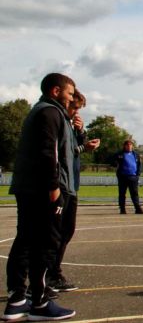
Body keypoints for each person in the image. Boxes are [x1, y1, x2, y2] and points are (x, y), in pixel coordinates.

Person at [3, 73, 78, 321]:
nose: (71, 98)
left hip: (30, 187)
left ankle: (17, 300)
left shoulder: (44, 112)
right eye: (69, 93)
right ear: (56, 91)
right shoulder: (50, 113)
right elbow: (49, 152)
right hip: (43, 189)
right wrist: (54, 188)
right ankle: (40, 302)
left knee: (26, 240)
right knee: (45, 244)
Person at [48, 89, 99, 293]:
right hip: (60, 185)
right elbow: (62, 153)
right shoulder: (54, 118)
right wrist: (84, 147)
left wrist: (81, 133)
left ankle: (53, 273)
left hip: (71, 184)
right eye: (74, 107)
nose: (76, 112)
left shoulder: (71, 125)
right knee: (52, 234)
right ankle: (43, 278)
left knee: (66, 231)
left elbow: (74, 151)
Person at [112, 140, 143, 215]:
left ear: (132, 146)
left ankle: (137, 208)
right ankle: (122, 208)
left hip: (133, 177)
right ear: (125, 146)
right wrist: (115, 164)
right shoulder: (120, 154)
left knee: (134, 193)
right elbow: (112, 161)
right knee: (122, 193)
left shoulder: (136, 154)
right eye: (127, 145)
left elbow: (139, 165)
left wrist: (137, 175)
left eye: (130, 145)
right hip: (123, 177)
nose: (129, 146)